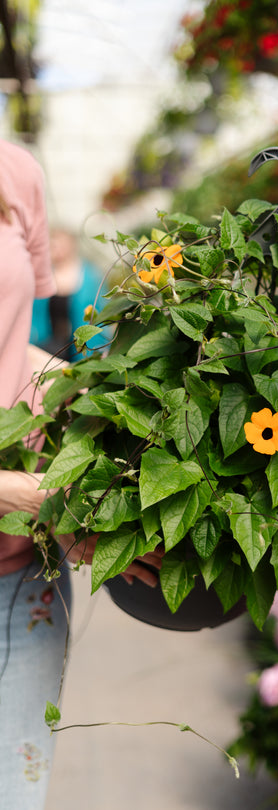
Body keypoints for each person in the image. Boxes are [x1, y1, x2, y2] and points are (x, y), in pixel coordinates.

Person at [0, 138, 162, 809]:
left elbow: (14, 344)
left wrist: (97, 416)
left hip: (17, 585)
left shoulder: (13, 170)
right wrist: (15, 492)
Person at [30, 226, 109, 361]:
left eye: (60, 243)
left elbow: (102, 312)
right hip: (49, 347)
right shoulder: (43, 274)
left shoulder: (89, 276)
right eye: (53, 244)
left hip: (82, 347)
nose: (56, 248)